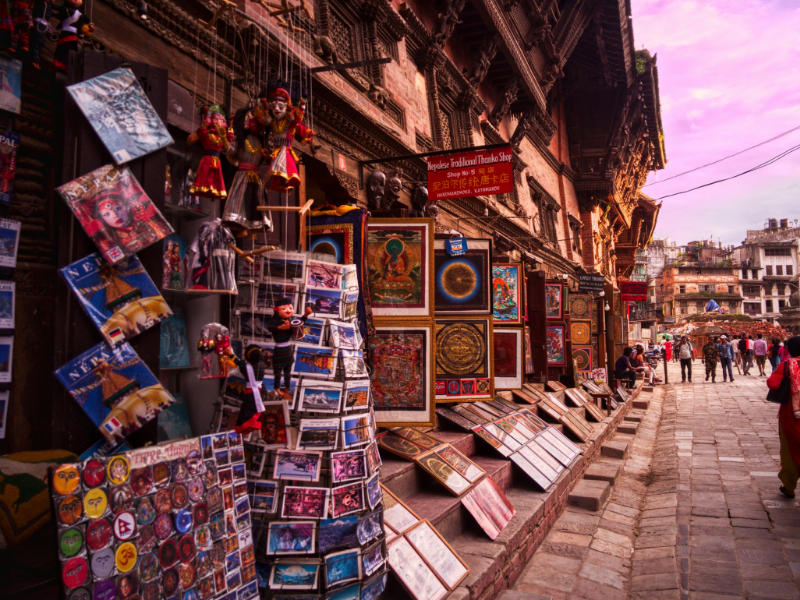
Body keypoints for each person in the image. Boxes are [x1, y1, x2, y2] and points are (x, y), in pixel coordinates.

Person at [767, 336, 800, 499]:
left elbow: (772, 383)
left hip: (791, 415)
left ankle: (789, 487)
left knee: (790, 450)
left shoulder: (787, 365)